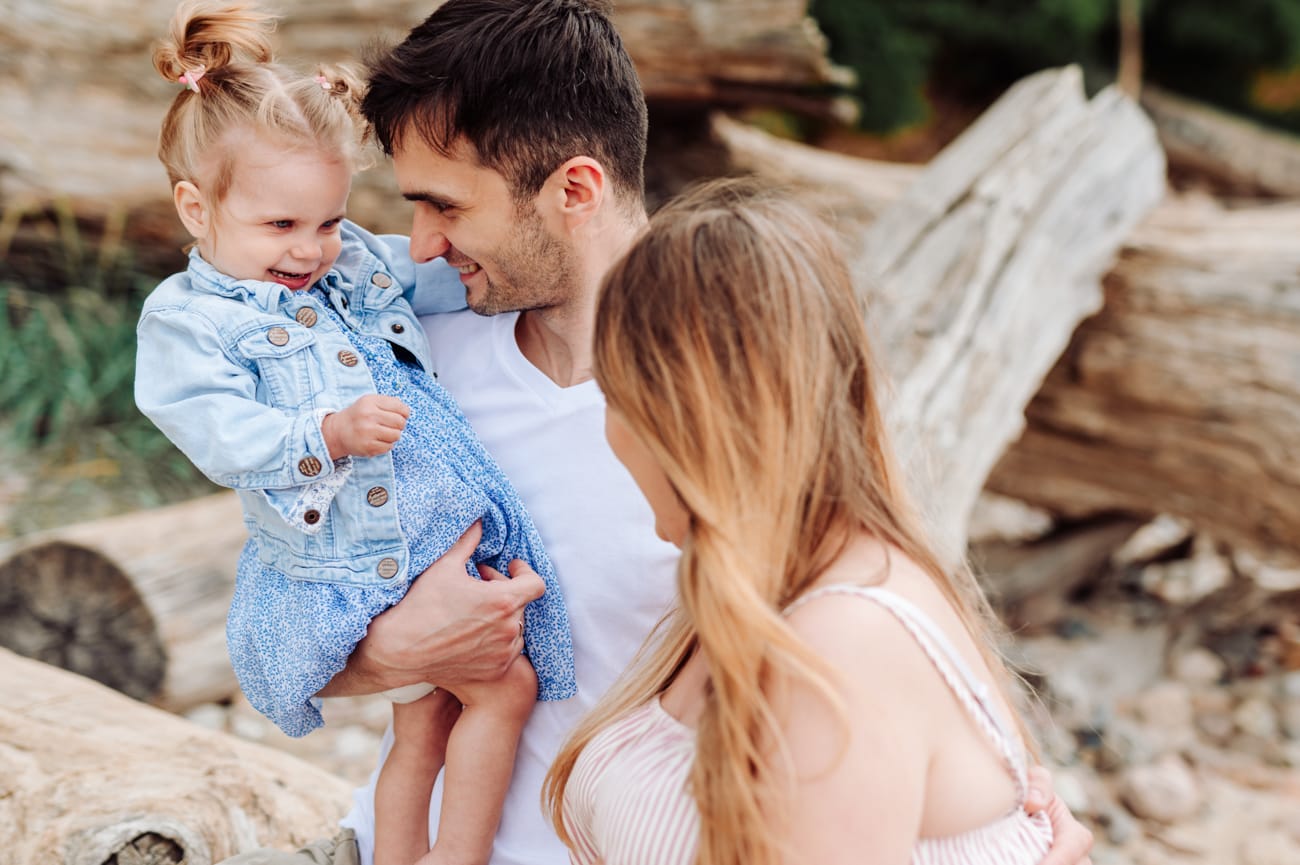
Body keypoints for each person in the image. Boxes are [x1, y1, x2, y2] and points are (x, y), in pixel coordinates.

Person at [222, 1, 1093, 863]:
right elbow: (263, 644)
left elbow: (885, 636)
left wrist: (1003, 806)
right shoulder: (412, 366)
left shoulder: (737, 417)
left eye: (444, 206)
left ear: (575, 188)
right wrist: (392, 649)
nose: (417, 247)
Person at [134, 3, 576, 864]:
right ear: (195, 207)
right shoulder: (189, 322)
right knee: (500, 687)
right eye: (281, 226)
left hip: (416, 544)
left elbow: (438, 279)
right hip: (348, 560)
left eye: (330, 221)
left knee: (428, 719)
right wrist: (326, 431)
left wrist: (524, 260)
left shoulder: (351, 264)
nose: (312, 250)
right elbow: (217, 431)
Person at [544, 177, 1056, 865]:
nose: (608, 433)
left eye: (612, 393)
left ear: (678, 412)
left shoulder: (841, 643)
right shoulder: (755, 592)